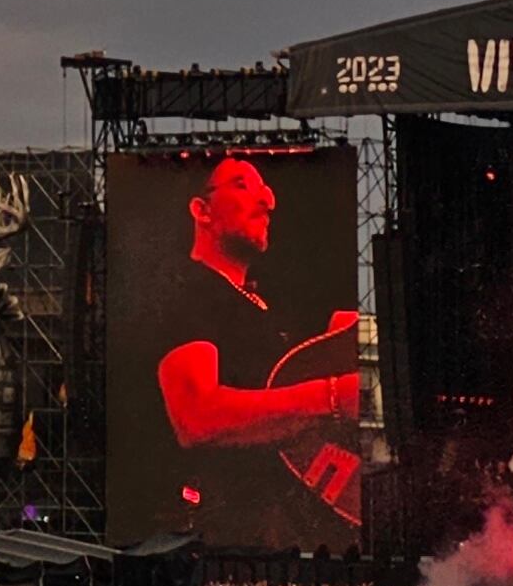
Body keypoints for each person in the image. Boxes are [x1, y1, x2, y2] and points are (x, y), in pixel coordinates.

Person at [146, 154, 362, 543]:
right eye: (242, 186)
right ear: (202, 209)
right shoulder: (187, 290)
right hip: (234, 535)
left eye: (265, 189)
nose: (269, 200)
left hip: (290, 531)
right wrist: (332, 396)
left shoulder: (265, 301)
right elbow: (195, 418)